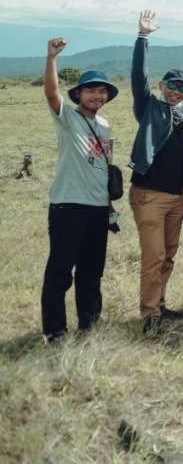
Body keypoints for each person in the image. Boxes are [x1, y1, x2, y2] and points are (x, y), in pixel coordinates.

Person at [129, 10, 183, 334]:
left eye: (181, 87)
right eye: (172, 86)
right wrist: (143, 37)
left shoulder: (181, 111)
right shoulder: (148, 107)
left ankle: (160, 305)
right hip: (148, 194)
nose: (177, 91)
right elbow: (138, 75)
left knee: (168, 256)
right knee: (154, 256)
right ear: (161, 85)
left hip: (175, 197)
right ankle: (149, 315)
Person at [40, 39, 118, 342]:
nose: (97, 95)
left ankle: (89, 324)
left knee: (91, 270)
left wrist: (109, 206)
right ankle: (55, 331)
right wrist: (51, 59)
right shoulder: (68, 118)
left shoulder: (105, 125)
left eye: (102, 91)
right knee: (60, 272)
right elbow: (50, 93)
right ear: (79, 94)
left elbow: (102, 166)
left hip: (98, 208)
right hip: (68, 205)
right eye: (91, 90)